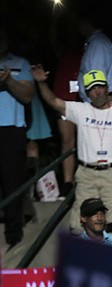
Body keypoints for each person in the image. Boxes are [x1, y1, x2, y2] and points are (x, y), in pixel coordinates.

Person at [33, 66, 112, 233]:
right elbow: (53, 101)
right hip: (86, 174)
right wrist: (41, 84)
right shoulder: (81, 110)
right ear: (87, 92)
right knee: (78, 226)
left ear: (107, 88)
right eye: (92, 88)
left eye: (100, 86)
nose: (97, 92)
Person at [0, 27, 34, 247]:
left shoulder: (20, 63)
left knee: (12, 182)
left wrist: (8, 80)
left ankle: (13, 235)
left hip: (11, 130)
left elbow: (27, 96)